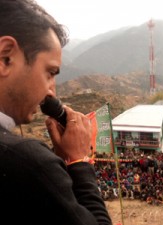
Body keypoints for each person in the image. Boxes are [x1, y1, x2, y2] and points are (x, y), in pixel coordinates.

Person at [0, 1, 112, 224]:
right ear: (6, 57)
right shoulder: (26, 161)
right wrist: (79, 161)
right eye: (50, 73)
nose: (51, 91)